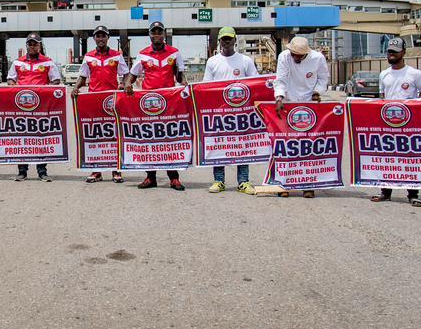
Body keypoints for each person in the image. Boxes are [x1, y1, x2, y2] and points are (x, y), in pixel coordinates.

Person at [123, 21, 187, 191]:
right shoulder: (143, 54)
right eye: (154, 32)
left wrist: (185, 84)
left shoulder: (174, 53)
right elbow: (133, 74)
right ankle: (150, 177)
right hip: (148, 104)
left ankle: (174, 178)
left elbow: (180, 76)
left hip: (169, 103)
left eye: (160, 32)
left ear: (164, 34)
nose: (157, 35)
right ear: (150, 35)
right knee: (149, 140)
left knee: (169, 139)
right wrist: (128, 83)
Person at [370, 37, 421, 208]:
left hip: (409, 124)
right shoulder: (384, 74)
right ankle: (385, 192)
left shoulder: (414, 74)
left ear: (403, 53)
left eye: (395, 52)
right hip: (388, 123)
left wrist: (415, 107)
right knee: (387, 157)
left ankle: (413, 194)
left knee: (409, 158)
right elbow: (382, 97)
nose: (391, 55)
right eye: (389, 52)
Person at [201, 26, 259, 195]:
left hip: (241, 112)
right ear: (220, 41)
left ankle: (244, 181)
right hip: (220, 113)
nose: (226, 42)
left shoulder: (245, 60)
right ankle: (219, 180)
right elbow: (206, 86)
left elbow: (256, 82)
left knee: (243, 146)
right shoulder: (212, 62)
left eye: (229, 38)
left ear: (235, 40)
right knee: (219, 145)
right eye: (223, 39)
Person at [273, 35, 330, 198]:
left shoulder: (318, 58)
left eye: (299, 55)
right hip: (288, 103)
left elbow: (323, 78)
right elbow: (280, 79)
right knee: (286, 146)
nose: (295, 58)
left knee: (308, 146)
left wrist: (317, 92)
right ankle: (284, 184)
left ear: (306, 53)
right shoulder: (284, 57)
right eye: (294, 54)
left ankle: (308, 185)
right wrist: (279, 98)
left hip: (309, 104)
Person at [71, 25, 127, 183]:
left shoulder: (117, 55)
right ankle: (96, 171)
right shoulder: (88, 56)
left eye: (103, 36)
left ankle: (117, 170)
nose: (101, 38)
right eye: (98, 36)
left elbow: (126, 74)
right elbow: (83, 77)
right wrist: (75, 88)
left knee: (114, 135)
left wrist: (124, 84)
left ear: (108, 38)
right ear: (94, 38)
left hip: (112, 101)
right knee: (96, 135)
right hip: (93, 100)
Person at [7, 33, 61, 182]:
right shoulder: (17, 62)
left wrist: (45, 90)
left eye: (35, 44)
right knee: (22, 138)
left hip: (41, 106)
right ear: (27, 45)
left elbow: (56, 80)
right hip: (21, 106)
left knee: (40, 138)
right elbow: (10, 79)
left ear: (39, 45)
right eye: (30, 44)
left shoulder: (48, 62)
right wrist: (14, 86)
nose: (32, 46)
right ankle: (22, 171)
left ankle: (42, 171)